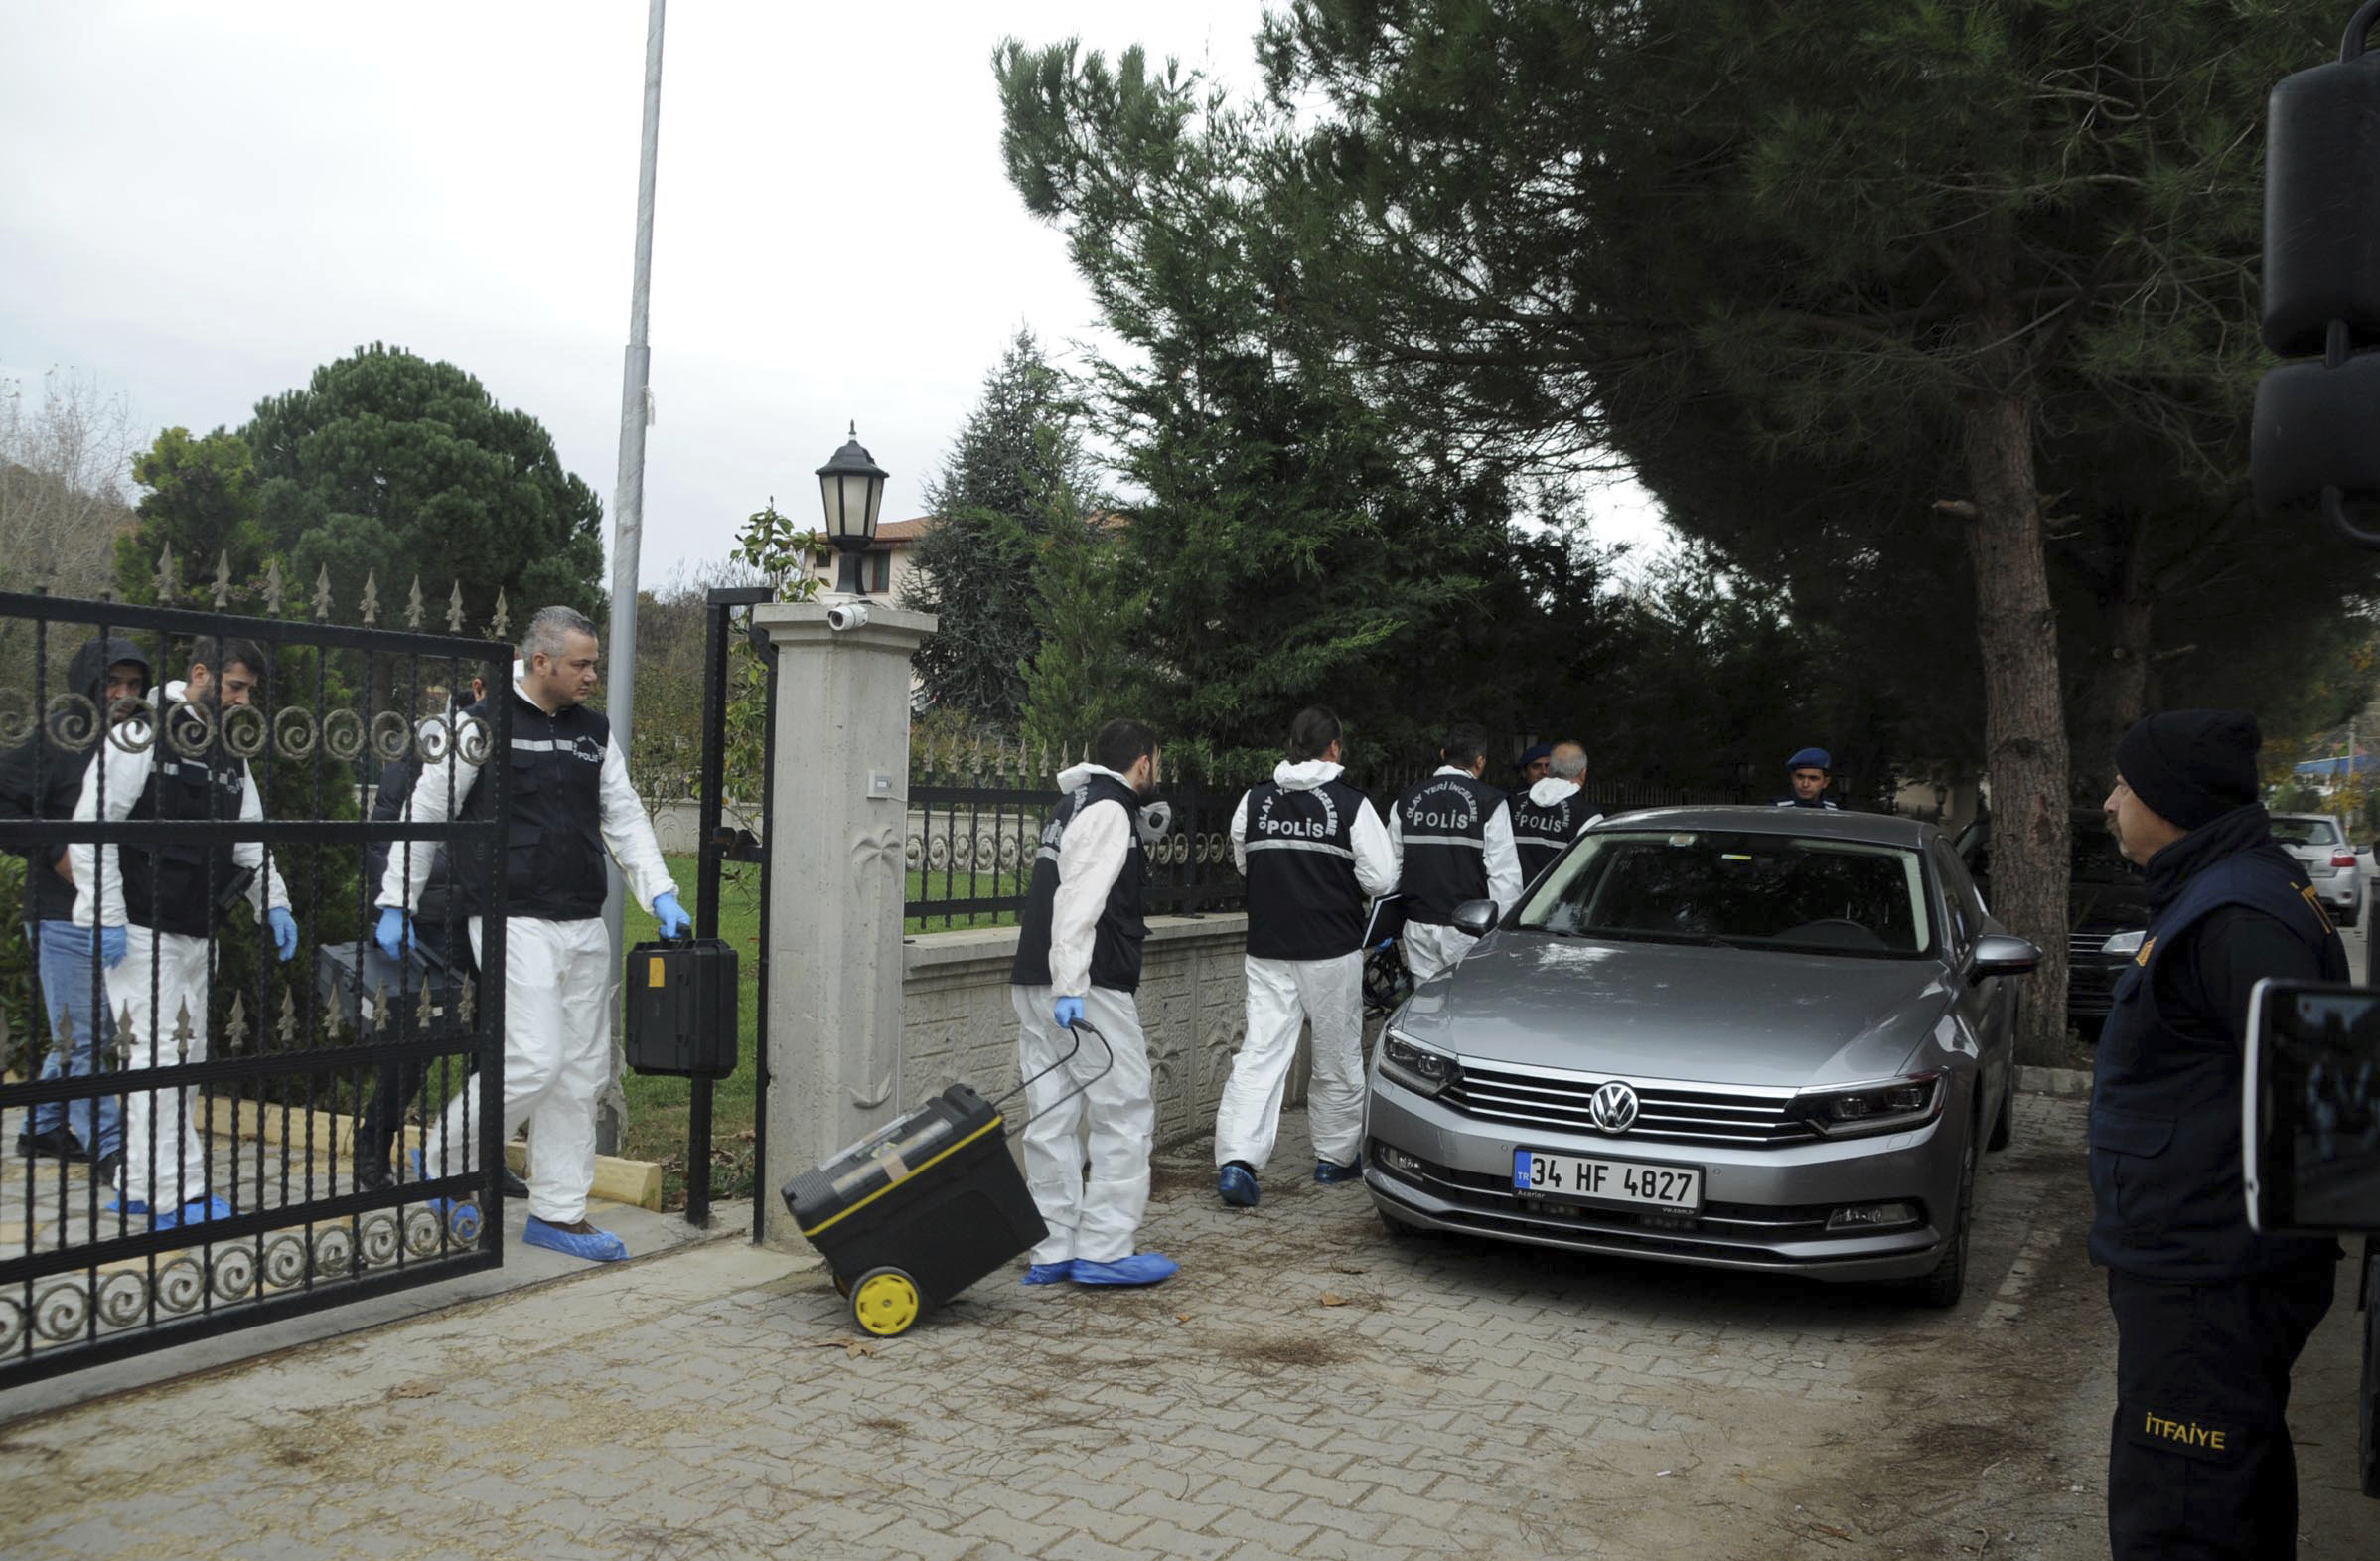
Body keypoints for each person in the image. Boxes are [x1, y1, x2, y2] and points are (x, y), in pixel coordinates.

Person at [2093, 709, 2348, 1560]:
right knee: (2231, 1498)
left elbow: (2320, 1102)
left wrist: (2247, 1259)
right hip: (2206, 1268)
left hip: (2211, 1279)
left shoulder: (2238, 915)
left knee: (2183, 1516)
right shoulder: (2231, 892)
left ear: (2169, 799)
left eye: (2123, 787)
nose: (2108, 804)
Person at [375, 608, 686, 1264]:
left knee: (581, 1074)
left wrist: (659, 890)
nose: (592, 675)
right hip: (511, 919)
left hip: (582, 920)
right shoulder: (480, 725)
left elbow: (624, 816)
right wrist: (395, 901)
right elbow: (427, 809)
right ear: (540, 661)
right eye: (581, 663)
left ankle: (559, 1211)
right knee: (536, 1058)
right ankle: (444, 1160)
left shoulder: (593, 733)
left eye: (595, 662)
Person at [71, 636, 299, 1230]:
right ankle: (181, 1195)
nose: (245, 699)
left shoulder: (228, 748)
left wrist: (274, 903)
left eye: (250, 689)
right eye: (235, 687)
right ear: (200, 673)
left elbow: (250, 836)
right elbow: (91, 826)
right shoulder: (145, 728)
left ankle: (140, 1184)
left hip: (197, 929)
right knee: (162, 1060)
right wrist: (107, 917)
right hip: (142, 928)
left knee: (183, 1062)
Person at [1008, 717, 1176, 1288]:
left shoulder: (1072, 805)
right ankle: (1104, 1248)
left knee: (1051, 1114)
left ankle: (1052, 1248)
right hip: (1087, 985)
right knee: (1124, 1108)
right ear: (1144, 762)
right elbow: (1080, 902)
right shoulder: (1109, 810)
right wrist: (1073, 986)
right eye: (1158, 760)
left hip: (1035, 977)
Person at [353, 670, 529, 1199]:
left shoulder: (516, 746)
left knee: (493, 1046)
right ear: (479, 691)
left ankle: (479, 1157)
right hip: (431, 916)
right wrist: (400, 907)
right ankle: (372, 1147)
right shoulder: (433, 744)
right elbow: (392, 833)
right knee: (418, 1041)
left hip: (493, 917)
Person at [1214, 707, 1398, 1207]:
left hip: (1269, 947)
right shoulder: (1351, 805)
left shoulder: (1252, 801)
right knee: (1336, 1054)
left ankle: (1236, 1162)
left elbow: (1242, 859)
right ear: (1333, 748)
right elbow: (1381, 880)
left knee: (1261, 1052)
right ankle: (1334, 1159)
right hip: (1332, 947)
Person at [1, 636, 149, 1181]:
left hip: (114, 913)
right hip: (61, 912)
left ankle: (41, 1126)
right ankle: (111, 1149)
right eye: (114, 682)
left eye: (134, 684)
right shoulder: (53, 739)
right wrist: (52, 850)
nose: (124, 694)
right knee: (84, 1036)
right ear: (89, 683)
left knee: (87, 1030)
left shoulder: (136, 741)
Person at [1390, 724, 1522, 984]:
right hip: (1469, 929)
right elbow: (1504, 877)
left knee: (1425, 1007)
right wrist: (1504, 934)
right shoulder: (1490, 802)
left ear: (1442, 754)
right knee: (1467, 1006)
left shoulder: (1406, 799)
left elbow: (1390, 868)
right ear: (1480, 760)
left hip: (1419, 923)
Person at [1509, 740, 1601, 884]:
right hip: (1558, 903)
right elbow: (1589, 872)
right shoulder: (1588, 816)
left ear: (1550, 769)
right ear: (1583, 772)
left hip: (1515, 902)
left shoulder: (1511, 804)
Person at [1774, 747, 1842, 810]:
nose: (1805, 784)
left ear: (1825, 783)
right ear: (1792, 778)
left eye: (1813, 778)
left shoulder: (1833, 811)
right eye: (1800, 777)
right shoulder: (1775, 809)